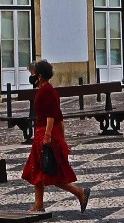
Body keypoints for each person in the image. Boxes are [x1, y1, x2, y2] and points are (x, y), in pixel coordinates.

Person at [21, 59, 88, 214]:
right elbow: (60, 117)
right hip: (43, 132)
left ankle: (79, 192)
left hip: (45, 133)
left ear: (40, 75)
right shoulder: (44, 89)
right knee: (37, 170)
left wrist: (48, 136)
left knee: (49, 171)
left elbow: (52, 116)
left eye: (34, 73)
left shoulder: (48, 91)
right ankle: (39, 205)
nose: (31, 75)